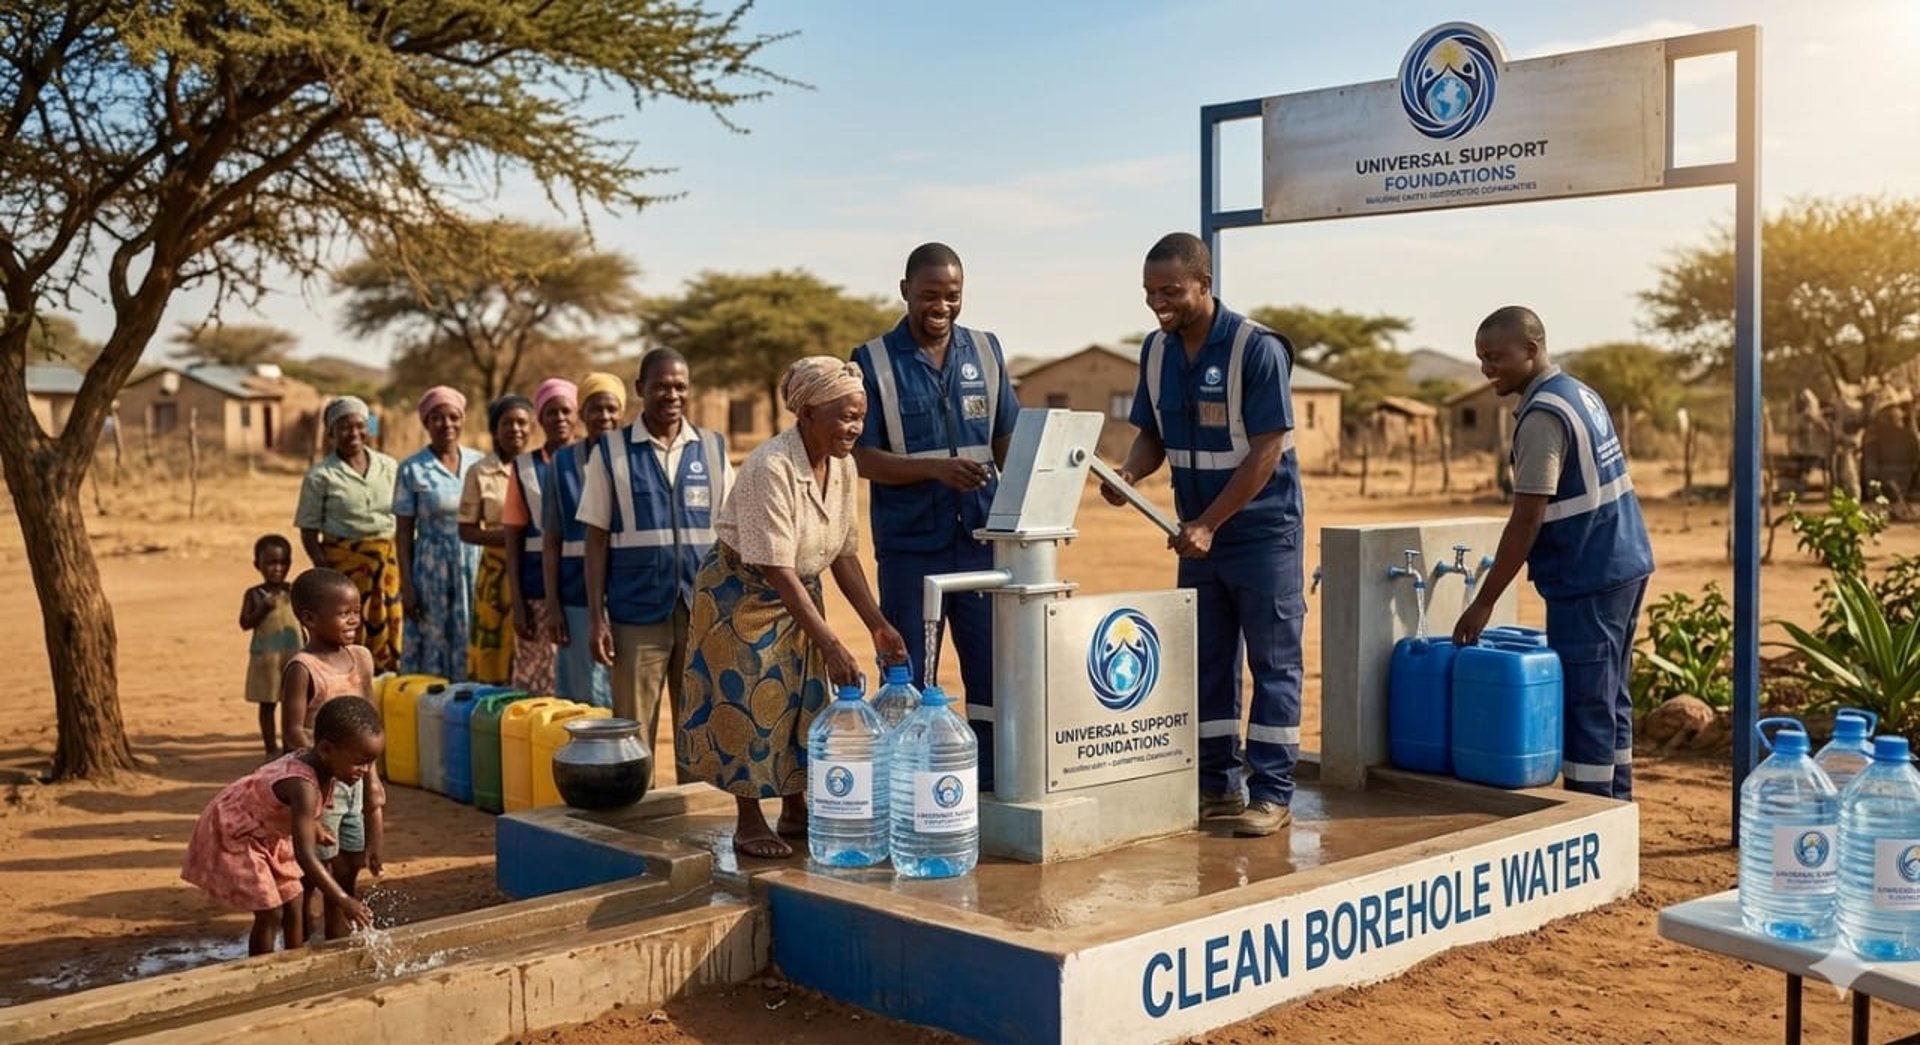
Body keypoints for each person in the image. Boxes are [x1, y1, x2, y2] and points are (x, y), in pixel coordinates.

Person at [1102, 232, 1305, 838]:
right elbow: (1152, 435)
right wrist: (1131, 474)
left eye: (1170, 291)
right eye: (1149, 292)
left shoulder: (1255, 349)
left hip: (1261, 535)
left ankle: (1271, 793)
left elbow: (1266, 452)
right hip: (1194, 537)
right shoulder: (1156, 352)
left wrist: (1210, 524)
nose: (1158, 303)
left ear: (1204, 285)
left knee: (1275, 665)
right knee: (1207, 664)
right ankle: (1215, 786)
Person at [679, 356, 907, 859]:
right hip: (743, 595)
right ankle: (748, 819)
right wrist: (828, 640)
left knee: (805, 699)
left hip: (798, 589)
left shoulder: (844, 466)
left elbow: (843, 554)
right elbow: (776, 568)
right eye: (844, 416)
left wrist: (878, 626)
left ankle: (797, 806)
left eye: (859, 416)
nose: (854, 427)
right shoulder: (770, 466)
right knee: (750, 697)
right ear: (806, 414)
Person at [1451, 306, 1654, 801]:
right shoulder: (1579, 393)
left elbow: (1527, 520)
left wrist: (1484, 602)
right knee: (1610, 699)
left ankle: (1592, 815)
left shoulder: (1544, 417)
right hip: (1624, 563)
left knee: (1587, 704)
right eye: (1481, 358)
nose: (1486, 370)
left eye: (1496, 357)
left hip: (1589, 577)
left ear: (1531, 350)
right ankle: (1617, 804)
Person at [850, 242, 1018, 788]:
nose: (941, 307)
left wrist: (1020, 501)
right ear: (904, 292)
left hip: (979, 546)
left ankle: (987, 786)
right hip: (909, 551)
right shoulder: (871, 362)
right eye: (929, 296)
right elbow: (864, 457)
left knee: (991, 676)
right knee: (907, 678)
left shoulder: (988, 352)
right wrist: (935, 469)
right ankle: (909, 789)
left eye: (953, 296)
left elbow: (1006, 439)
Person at [579, 350, 731, 781]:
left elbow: (731, 537)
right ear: (640, 389)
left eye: (680, 386)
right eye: (662, 386)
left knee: (698, 720)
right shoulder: (609, 452)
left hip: (701, 610)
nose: (672, 394)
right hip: (635, 611)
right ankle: (634, 817)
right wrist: (597, 618)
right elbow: (596, 539)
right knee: (632, 726)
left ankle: (693, 813)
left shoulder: (713, 449)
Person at [181, 695, 380, 955]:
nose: (365, 770)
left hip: (266, 832)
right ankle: (261, 973)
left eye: (370, 762)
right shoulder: (303, 786)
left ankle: (293, 961)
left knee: (294, 899)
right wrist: (343, 899)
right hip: (236, 832)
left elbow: (301, 812)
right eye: (359, 761)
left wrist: (315, 826)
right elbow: (305, 857)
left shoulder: (324, 769)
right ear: (326, 750)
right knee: (271, 911)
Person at [279, 568, 387, 941]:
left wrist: (370, 777)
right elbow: (292, 729)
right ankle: (303, 926)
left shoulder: (361, 658)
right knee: (316, 862)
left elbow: (370, 721)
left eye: (356, 610)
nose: (354, 619)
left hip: (355, 775)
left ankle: (339, 928)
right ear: (309, 619)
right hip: (321, 778)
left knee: (351, 858)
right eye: (344, 613)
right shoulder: (303, 667)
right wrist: (326, 762)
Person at [528, 371, 623, 708]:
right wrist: (552, 603)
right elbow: (551, 537)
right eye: (595, 409)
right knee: (580, 690)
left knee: (622, 689)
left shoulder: (633, 457)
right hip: (574, 593)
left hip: (627, 591)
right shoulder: (563, 463)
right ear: (582, 414)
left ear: (622, 412)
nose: (604, 417)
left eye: (612, 409)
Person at [295, 396, 403, 673]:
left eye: (359, 425)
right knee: (348, 630)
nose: (353, 433)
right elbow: (309, 532)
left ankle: (384, 687)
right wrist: (328, 575)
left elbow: (403, 518)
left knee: (391, 628)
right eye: (343, 427)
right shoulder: (320, 476)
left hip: (388, 565)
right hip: (344, 567)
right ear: (331, 432)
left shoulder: (389, 467)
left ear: (368, 428)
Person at [392, 386, 483, 680]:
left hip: (474, 563)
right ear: (426, 423)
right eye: (437, 418)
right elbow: (404, 533)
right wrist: (407, 584)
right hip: (431, 569)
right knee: (433, 636)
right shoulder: (412, 469)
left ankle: (468, 709)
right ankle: (433, 713)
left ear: (463, 420)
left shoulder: (479, 463)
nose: (447, 425)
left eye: (454, 417)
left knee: (472, 633)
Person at [502, 378, 576, 695]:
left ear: (576, 415)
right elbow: (513, 541)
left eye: (565, 411)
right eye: (551, 412)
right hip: (535, 589)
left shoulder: (594, 459)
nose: (559, 419)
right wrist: (518, 603)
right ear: (540, 419)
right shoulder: (524, 467)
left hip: (581, 587)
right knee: (536, 678)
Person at [460, 395, 534, 684]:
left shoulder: (540, 467)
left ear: (531, 428)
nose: (515, 429)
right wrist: (511, 537)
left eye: (522, 423)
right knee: (493, 649)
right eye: (507, 423)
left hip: (533, 571)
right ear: (495, 430)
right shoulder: (480, 471)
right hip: (495, 573)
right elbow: (466, 530)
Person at [239, 534, 300, 759]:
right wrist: (262, 608)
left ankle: (290, 747)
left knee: (292, 704)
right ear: (258, 565)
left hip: (292, 657)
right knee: (267, 704)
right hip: (265, 660)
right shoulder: (255, 594)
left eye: (283, 563)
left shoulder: (294, 591)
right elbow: (245, 623)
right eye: (271, 563)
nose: (277, 569)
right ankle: (270, 748)